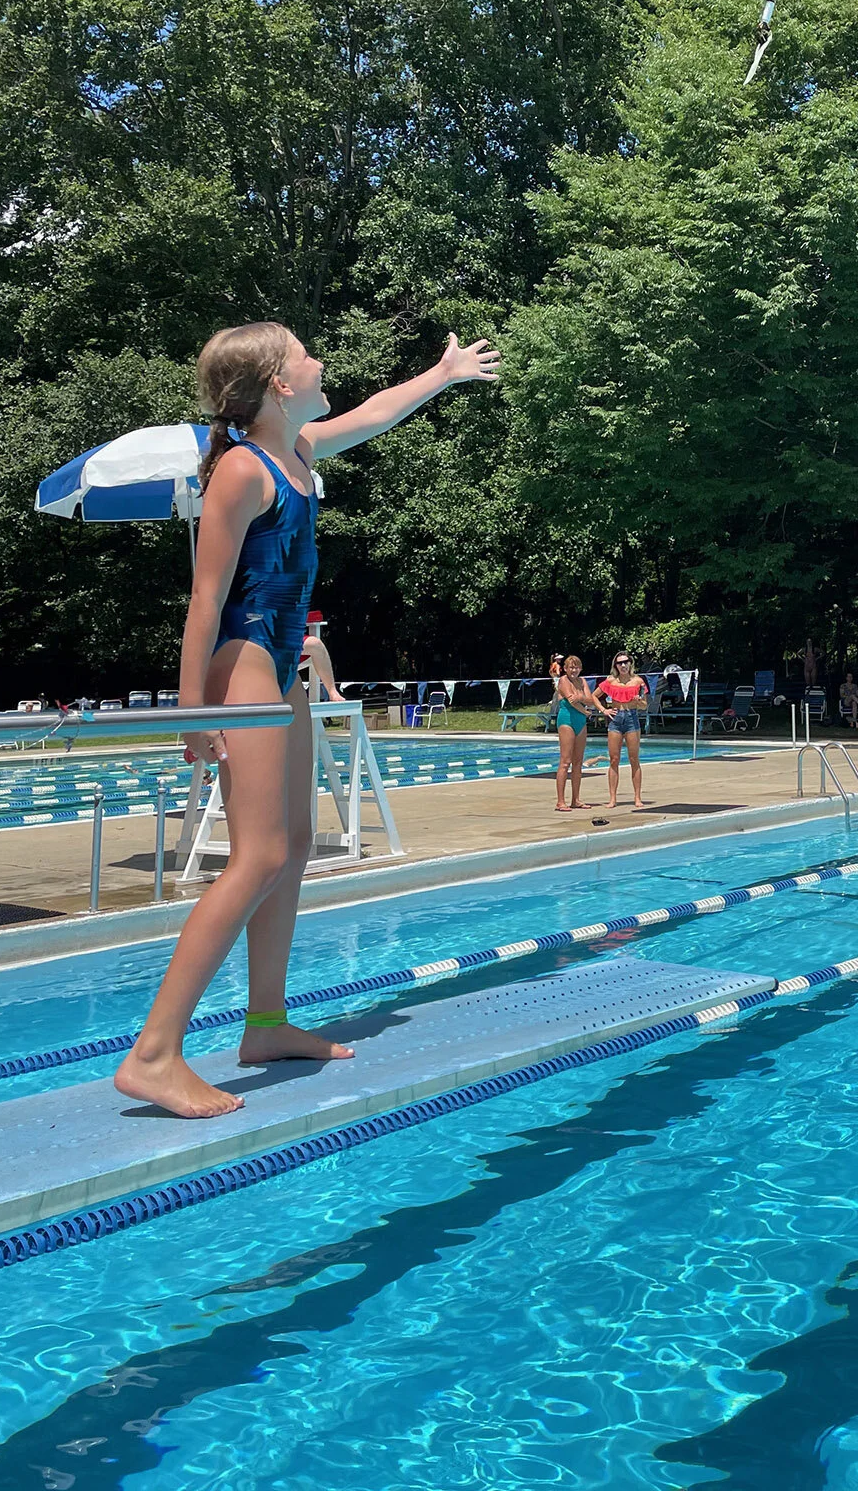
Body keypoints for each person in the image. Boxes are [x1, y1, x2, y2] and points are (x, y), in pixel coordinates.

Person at [114, 321, 500, 1120]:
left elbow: (375, 413)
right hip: (245, 661)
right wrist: (194, 713)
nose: (320, 360)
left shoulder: (297, 451)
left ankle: (265, 1024)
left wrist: (443, 374)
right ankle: (153, 1054)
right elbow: (204, 602)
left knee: (287, 853)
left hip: (280, 667)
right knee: (254, 858)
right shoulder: (240, 472)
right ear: (279, 384)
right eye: (304, 353)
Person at [596, 652, 648, 811]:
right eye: (620, 663)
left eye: (626, 662)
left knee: (634, 759)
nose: (623, 665)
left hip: (632, 718)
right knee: (614, 759)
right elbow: (594, 696)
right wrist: (603, 710)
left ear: (630, 663)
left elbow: (645, 705)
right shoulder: (611, 681)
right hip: (616, 718)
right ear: (615, 666)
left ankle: (637, 797)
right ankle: (612, 798)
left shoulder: (638, 681)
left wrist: (638, 702)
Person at [553, 655, 604, 813]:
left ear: (580, 669)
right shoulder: (563, 680)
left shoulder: (582, 682)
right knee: (565, 761)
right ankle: (560, 801)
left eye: (576, 667)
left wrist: (582, 700)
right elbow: (571, 701)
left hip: (580, 722)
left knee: (578, 762)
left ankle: (575, 799)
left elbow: (590, 699)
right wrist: (585, 710)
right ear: (565, 669)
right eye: (570, 667)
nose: (573, 670)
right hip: (567, 720)